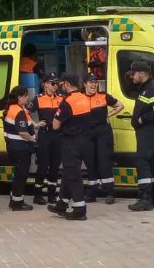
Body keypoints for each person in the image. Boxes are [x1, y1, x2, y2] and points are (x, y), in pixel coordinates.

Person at [127, 59, 154, 211]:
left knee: (142, 160)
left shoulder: (152, 88)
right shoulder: (146, 88)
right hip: (148, 131)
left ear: (142, 73)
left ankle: (145, 198)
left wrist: (141, 119)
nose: (132, 76)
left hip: (148, 130)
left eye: (134, 74)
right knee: (153, 161)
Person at [50, 73, 91, 221]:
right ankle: (61, 204)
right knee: (68, 173)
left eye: (61, 84)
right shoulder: (84, 98)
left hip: (70, 142)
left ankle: (79, 209)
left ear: (66, 84)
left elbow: (55, 125)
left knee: (73, 175)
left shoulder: (67, 102)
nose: (60, 87)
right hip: (83, 140)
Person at [82, 75, 122, 203]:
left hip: (103, 132)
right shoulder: (80, 98)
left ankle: (109, 193)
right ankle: (91, 193)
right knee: (90, 163)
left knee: (105, 162)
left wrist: (108, 115)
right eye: (91, 82)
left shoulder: (103, 96)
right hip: (87, 133)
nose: (94, 85)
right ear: (85, 84)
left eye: (95, 82)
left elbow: (120, 106)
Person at [32, 72, 63, 205]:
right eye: (52, 83)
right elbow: (24, 111)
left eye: (57, 83)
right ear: (45, 84)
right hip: (45, 135)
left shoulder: (61, 98)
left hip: (57, 135)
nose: (55, 86)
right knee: (43, 165)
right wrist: (34, 123)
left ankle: (52, 194)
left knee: (55, 166)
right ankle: (37, 195)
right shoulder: (38, 99)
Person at [3, 86, 36, 211]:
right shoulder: (18, 111)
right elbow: (23, 132)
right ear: (19, 97)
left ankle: (14, 200)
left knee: (18, 174)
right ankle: (17, 203)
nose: (27, 98)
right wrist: (34, 141)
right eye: (25, 96)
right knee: (21, 175)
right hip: (20, 148)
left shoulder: (13, 108)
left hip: (14, 147)